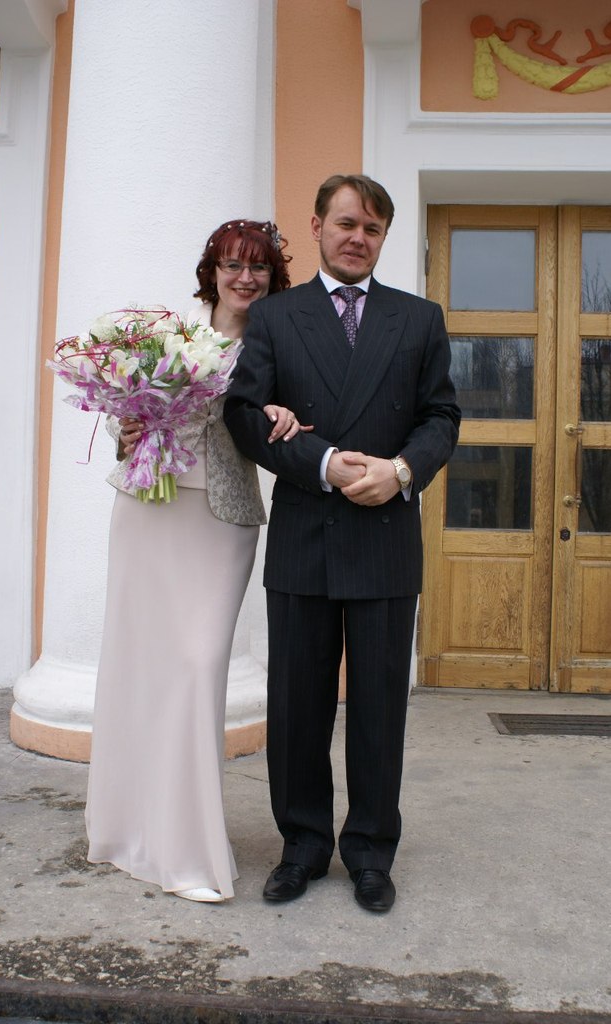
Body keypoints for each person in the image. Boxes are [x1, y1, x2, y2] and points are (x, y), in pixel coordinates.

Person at [223, 175, 461, 912]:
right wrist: (323, 462)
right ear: (318, 227)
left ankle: (369, 853)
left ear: (383, 238)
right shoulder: (275, 316)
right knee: (296, 707)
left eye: (373, 228)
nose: (359, 237)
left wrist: (400, 471)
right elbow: (244, 414)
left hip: (386, 538)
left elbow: (441, 417)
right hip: (306, 534)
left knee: (379, 709)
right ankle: (301, 846)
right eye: (347, 223)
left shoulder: (418, 318)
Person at [85, 219, 301, 903]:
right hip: (147, 509)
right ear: (212, 272)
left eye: (258, 267)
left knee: (197, 666)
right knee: (138, 664)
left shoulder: (279, 342)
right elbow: (128, 415)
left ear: (272, 277)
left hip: (222, 519)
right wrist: (126, 429)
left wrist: (285, 416)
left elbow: (295, 413)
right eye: (233, 265)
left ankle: (187, 850)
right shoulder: (170, 332)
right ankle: (127, 832)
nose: (245, 277)